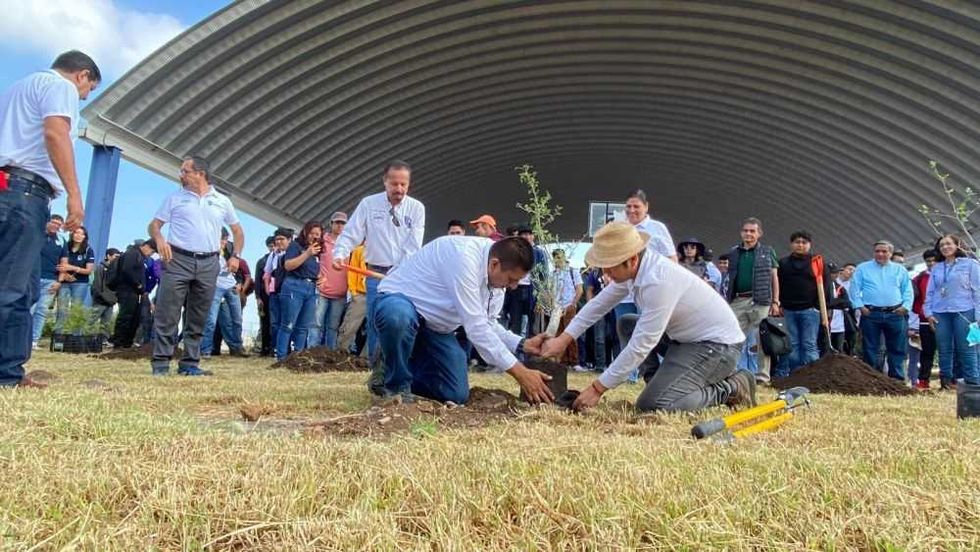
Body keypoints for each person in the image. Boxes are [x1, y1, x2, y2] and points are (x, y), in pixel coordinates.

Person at [539, 222, 753, 412]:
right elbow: (598, 304)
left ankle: (732, 387)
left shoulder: (659, 280)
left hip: (716, 347)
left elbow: (641, 345)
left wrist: (598, 388)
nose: (606, 272)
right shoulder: (636, 270)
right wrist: (563, 339)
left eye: (609, 266)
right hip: (684, 339)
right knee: (627, 323)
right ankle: (657, 382)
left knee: (654, 405)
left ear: (631, 260)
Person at [0, 50, 100, 387]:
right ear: (81, 75)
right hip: (24, 191)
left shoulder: (18, 87)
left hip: (9, 187)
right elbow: (56, 133)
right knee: (11, 288)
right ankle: (5, 375)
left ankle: (10, 371)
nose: (84, 97)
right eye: (89, 89)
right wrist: (74, 193)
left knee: (24, 287)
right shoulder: (61, 88)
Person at [373, 235, 553, 404]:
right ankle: (395, 385)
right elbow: (476, 328)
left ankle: (393, 365)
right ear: (494, 264)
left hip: (435, 327)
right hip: (399, 304)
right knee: (397, 317)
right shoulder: (463, 259)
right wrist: (520, 373)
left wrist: (522, 344)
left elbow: (487, 323)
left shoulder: (496, 282)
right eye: (512, 279)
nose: (513, 286)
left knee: (455, 393)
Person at [332, 161, 425, 392]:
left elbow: (413, 247)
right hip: (374, 273)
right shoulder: (368, 204)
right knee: (377, 322)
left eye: (404, 184)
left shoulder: (416, 209)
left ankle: (399, 371)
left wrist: (397, 274)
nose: (399, 189)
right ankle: (378, 375)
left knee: (401, 321)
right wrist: (340, 253)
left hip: (404, 275)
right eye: (394, 183)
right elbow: (352, 233)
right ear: (385, 182)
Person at [149, 155, 244, 376]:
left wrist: (235, 255)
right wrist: (160, 240)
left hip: (209, 263)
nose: (180, 175)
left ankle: (190, 363)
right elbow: (154, 225)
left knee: (198, 314)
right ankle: (161, 364)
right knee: (168, 312)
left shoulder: (222, 201)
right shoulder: (174, 198)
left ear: (200, 173)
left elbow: (238, 231)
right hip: (177, 260)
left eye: (185, 171)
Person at [724, 217, 780, 385]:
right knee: (732, 338)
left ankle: (762, 376)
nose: (748, 234)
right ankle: (730, 373)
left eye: (752, 231)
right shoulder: (733, 253)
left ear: (759, 233)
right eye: (746, 230)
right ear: (741, 233)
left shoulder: (767, 251)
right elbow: (729, 277)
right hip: (738, 299)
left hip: (760, 301)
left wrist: (775, 301)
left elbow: (774, 277)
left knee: (762, 339)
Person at [848, 240, 913, 380]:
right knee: (870, 347)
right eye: (877, 251)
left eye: (884, 251)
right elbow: (854, 289)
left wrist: (906, 307)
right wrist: (860, 306)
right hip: (871, 313)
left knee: (897, 348)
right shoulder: (862, 268)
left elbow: (907, 290)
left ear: (890, 253)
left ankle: (897, 379)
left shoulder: (900, 269)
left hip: (895, 313)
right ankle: (873, 379)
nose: (880, 254)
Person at [924, 234, 980, 389]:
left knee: (967, 347)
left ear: (957, 245)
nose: (945, 247)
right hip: (940, 311)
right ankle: (946, 382)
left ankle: (973, 383)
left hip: (964, 310)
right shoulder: (937, 267)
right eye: (942, 245)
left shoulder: (970, 264)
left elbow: (978, 290)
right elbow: (931, 292)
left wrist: (978, 314)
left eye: (948, 244)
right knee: (944, 348)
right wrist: (928, 313)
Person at [774, 231, 833, 375]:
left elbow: (826, 286)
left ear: (809, 245)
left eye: (804, 242)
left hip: (810, 310)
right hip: (788, 310)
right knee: (792, 344)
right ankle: (794, 375)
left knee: (809, 344)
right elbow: (778, 284)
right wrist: (779, 304)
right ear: (791, 244)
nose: (800, 245)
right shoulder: (783, 263)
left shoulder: (817, 262)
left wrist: (823, 307)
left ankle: (812, 375)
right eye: (797, 242)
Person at [276, 221, 323, 360]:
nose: (314, 237)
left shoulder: (317, 251)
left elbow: (315, 270)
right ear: (305, 232)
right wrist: (307, 253)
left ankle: (297, 357)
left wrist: (321, 278)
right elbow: (288, 265)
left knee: (303, 327)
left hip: (311, 288)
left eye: (318, 235)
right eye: (312, 233)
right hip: (294, 286)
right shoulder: (295, 246)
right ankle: (282, 357)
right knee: (288, 325)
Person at [201, 228, 248, 358]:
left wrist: (238, 282)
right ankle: (205, 349)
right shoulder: (207, 251)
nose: (224, 242)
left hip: (230, 286)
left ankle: (237, 348)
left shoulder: (230, 249)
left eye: (226, 239)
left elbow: (240, 267)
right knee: (211, 319)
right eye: (221, 239)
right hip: (215, 287)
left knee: (236, 319)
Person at [310, 212, 348, 349]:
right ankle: (311, 353)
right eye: (337, 222)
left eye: (343, 223)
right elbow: (311, 259)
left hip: (341, 294)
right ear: (331, 224)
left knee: (333, 327)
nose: (340, 226)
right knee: (316, 324)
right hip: (322, 291)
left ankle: (329, 356)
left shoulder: (350, 245)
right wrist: (318, 275)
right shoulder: (321, 241)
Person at [111, 239, 157, 348]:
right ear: (146, 246)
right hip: (127, 289)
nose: (151, 254)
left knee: (134, 317)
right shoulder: (132, 253)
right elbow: (127, 270)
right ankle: (119, 343)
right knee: (125, 316)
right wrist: (138, 284)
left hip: (135, 292)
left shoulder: (140, 256)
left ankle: (127, 342)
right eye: (152, 251)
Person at [31, 214, 65, 349]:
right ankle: (20, 339)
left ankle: (34, 340)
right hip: (33, 277)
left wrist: (59, 281)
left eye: (58, 224)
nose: (55, 225)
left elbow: (64, 262)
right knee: (29, 309)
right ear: (47, 222)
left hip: (51, 280)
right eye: (53, 222)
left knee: (42, 311)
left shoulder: (61, 241)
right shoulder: (37, 235)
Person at [54, 225, 95, 334]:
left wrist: (72, 268)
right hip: (64, 282)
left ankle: (75, 337)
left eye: (81, 234)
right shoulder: (65, 247)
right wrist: (66, 274)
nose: (78, 236)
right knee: (61, 309)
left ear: (85, 237)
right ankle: (58, 336)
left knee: (76, 310)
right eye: (76, 233)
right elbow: (59, 264)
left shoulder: (88, 250)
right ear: (72, 234)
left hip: (80, 283)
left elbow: (89, 270)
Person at [549, 249, 583, 366]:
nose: (558, 260)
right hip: (557, 307)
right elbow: (551, 291)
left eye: (559, 257)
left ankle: (574, 361)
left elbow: (579, 289)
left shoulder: (573, 271)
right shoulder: (553, 274)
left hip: (569, 305)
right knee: (558, 334)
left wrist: (573, 304)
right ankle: (561, 361)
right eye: (555, 258)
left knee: (571, 333)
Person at [911, 249, 939, 389]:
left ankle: (950, 379)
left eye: (934, 260)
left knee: (949, 350)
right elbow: (915, 300)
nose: (931, 263)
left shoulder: (947, 276)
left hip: (945, 318)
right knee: (927, 351)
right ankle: (923, 380)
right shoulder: (919, 279)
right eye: (928, 261)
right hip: (925, 320)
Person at [337, 244, 367, 355]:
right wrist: (354, 292)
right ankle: (340, 353)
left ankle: (366, 359)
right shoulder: (360, 250)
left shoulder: (388, 251)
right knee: (349, 325)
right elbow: (352, 271)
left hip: (379, 295)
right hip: (360, 293)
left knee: (375, 329)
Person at [90, 248, 121, 343]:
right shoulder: (100, 268)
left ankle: (103, 340)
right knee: (91, 320)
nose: (117, 259)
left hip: (110, 301)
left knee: (106, 323)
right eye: (115, 256)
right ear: (108, 256)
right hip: (100, 300)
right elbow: (97, 285)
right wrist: (101, 296)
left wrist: (114, 298)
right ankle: (85, 337)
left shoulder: (117, 270)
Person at [254, 236, 276, 356]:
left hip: (276, 293)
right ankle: (265, 348)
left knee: (275, 322)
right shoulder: (262, 261)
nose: (272, 248)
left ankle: (274, 348)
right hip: (264, 295)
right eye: (270, 246)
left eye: (274, 245)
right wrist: (258, 297)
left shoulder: (281, 258)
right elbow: (257, 280)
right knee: (264, 322)